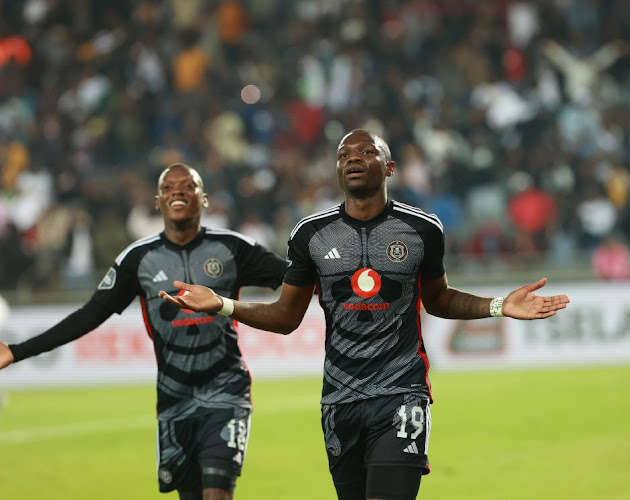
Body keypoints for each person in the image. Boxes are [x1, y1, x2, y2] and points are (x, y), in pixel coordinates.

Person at [159, 129, 571, 500]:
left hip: (400, 393)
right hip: (339, 400)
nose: (352, 158)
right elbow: (286, 316)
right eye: (343, 155)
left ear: (389, 167)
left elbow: (439, 300)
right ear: (338, 171)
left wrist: (499, 306)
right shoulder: (309, 234)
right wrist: (225, 304)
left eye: (365, 151)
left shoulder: (423, 229)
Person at [0, 163, 289, 500]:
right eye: (168, 188)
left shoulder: (234, 248)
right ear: (157, 202)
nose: (178, 192)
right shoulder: (138, 259)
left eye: (188, 186)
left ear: (204, 198)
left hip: (226, 390)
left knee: (218, 494)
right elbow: (88, 316)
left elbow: (294, 278)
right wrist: (17, 350)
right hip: (173, 398)